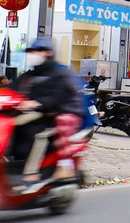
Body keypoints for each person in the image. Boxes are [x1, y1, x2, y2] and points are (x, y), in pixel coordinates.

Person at [10, 37, 82, 188]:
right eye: (32, 51)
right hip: (33, 114)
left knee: (37, 134)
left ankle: (32, 173)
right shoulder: (29, 76)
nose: (33, 54)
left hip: (56, 115)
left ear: (48, 53)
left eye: (38, 51)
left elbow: (57, 97)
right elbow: (10, 90)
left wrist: (37, 103)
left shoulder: (59, 74)